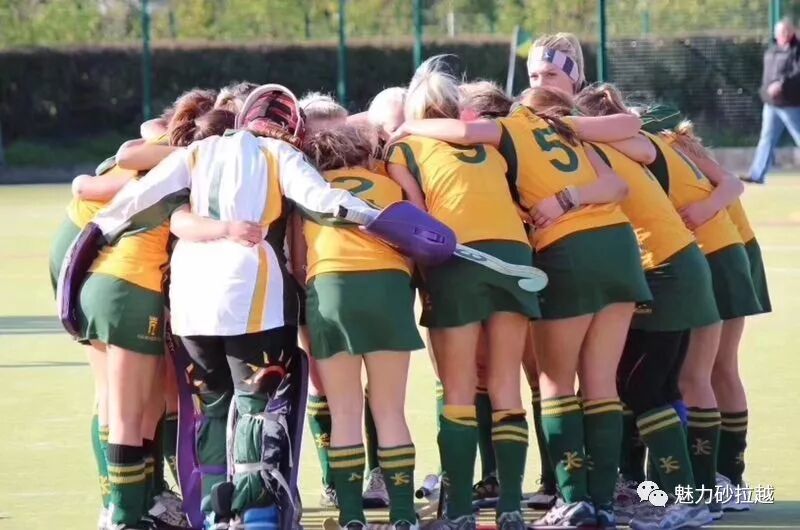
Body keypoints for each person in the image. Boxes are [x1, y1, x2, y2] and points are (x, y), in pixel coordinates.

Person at [61, 85, 378, 529]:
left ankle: (214, 515)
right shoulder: (280, 154)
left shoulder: (197, 152)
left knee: (209, 409)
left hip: (191, 305)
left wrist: (91, 239)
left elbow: (134, 200)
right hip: (253, 300)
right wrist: (379, 218)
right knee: (255, 407)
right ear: (291, 127)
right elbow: (324, 201)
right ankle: (256, 516)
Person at [393, 83, 652, 529]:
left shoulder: (498, 134)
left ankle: (533, 503)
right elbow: (621, 176)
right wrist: (569, 196)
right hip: (611, 247)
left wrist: (405, 127)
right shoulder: (564, 129)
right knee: (591, 384)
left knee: (540, 384)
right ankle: (588, 505)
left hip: (552, 250)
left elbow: (421, 217)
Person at [67, 97, 242, 530]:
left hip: (98, 278)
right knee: (131, 414)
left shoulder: (168, 161)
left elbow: (136, 145)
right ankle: (124, 516)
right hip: (130, 288)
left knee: (132, 408)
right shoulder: (192, 170)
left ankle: (135, 507)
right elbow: (113, 171)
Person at [387, 57, 541, 530]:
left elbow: (417, 220)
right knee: (505, 385)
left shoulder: (403, 148)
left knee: (457, 389)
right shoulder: (489, 144)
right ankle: (511, 506)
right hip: (514, 255)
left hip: (459, 257)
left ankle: (458, 511)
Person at [576, 82, 720, 530]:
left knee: (641, 387)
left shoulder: (598, 148)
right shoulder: (624, 145)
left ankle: (683, 499)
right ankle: (688, 497)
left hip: (666, 268)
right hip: (677, 263)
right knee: (657, 385)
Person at [298, 123, 425, 530]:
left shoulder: (309, 187)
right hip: (388, 285)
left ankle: (351, 516)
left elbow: (299, 260)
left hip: (331, 286)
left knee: (345, 411)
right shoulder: (387, 184)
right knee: (390, 410)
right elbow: (419, 232)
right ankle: (403, 515)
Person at [298, 93, 391, 510]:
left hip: (365, 276)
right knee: (324, 385)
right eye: (320, 138)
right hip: (313, 280)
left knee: (380, 386)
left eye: (339, 134)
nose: (331, 145)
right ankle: (333, 479)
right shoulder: (297, 174)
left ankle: (379, 473)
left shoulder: (372, 168)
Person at [743, 17, 800, 184]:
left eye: (787, 31)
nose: (784, 34)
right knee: (766, 139)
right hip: (771, 105)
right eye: (781, 32)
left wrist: (782, 84)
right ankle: (757, 175)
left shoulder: (797, 50)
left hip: (791, 104)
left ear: (792, 32)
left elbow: (797, 73)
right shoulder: (772, 51)